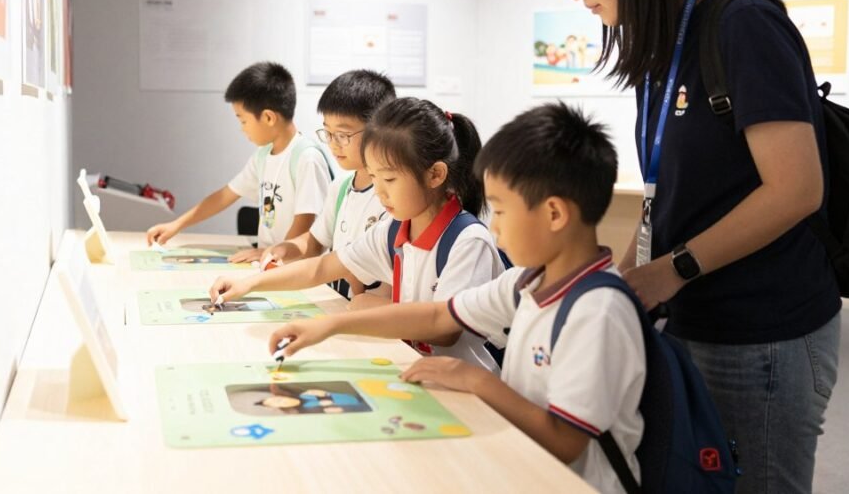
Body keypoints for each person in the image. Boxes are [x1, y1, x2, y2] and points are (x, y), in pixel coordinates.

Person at [547, 0, 840, 493]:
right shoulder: (661, 42)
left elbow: (796, 190)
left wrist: (668, 271)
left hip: (764, 333)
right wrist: (620, 278)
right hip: (691, 322)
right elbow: (665, 195)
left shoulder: (741, 22)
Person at [267, 103, 645, 493]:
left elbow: (566, 442)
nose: (493, 228)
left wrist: (475, 380)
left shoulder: (598, 311)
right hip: (522, 463)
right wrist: (328, 325)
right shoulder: (526, 283)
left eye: (500, 211)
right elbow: (437, 317)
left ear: (554, 214)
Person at [210, 97, 506, 368]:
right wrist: (249, 284)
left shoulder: (467, 241)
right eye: (374, 177)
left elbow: (443, 329)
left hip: (468, 392)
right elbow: (323, 267)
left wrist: (335, 323)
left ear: (435, 175)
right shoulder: (394, 230)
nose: (379, 190)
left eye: (389, 178)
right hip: (417, 371)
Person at [146, 62, 332, 262]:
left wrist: (273, 254)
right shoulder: (263, 156)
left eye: (243, 121)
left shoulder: (306, 158)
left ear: (268, 117)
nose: (242, 129)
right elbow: (224, 196)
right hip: (272, 264)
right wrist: (176, 225)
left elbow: (305, 223)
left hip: (296, 269)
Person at [260, 69, 396, 299]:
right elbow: (314, 242)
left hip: (370, 316)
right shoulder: (341, 186)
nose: (333, 145)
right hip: (337, 306)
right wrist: (287, 248)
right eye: (328, 133)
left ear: (380, 130)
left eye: (342, 135)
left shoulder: (393, 196)